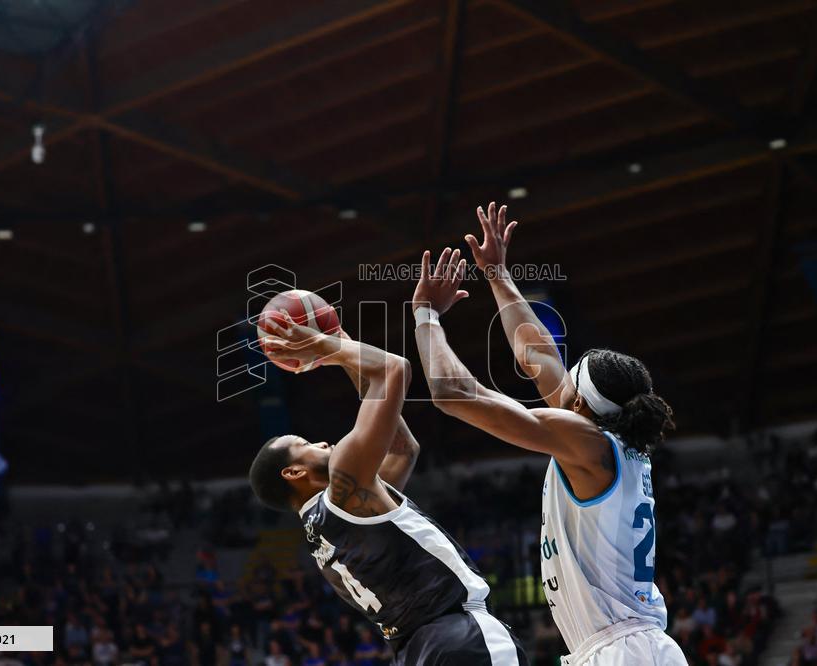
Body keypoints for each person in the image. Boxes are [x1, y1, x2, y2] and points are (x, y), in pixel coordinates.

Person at [410, 202, 687, 665]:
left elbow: (452, 393)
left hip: (623, 651)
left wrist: (425, 316)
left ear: (579, 405)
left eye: (570, 383)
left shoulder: (587, 443)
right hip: (629, 646)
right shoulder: (605, 438)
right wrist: (497, 274)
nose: (559, 380)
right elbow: (535, 353)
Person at [249, 316, 527, 665]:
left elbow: (402, 450)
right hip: (459, 635)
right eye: (306, 444)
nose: (321, 442)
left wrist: (343, 343)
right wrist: (325, 346)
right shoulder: (344, 486)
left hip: (416, 652)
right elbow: (394, 368)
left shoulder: (326, 526)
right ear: (294, 472)